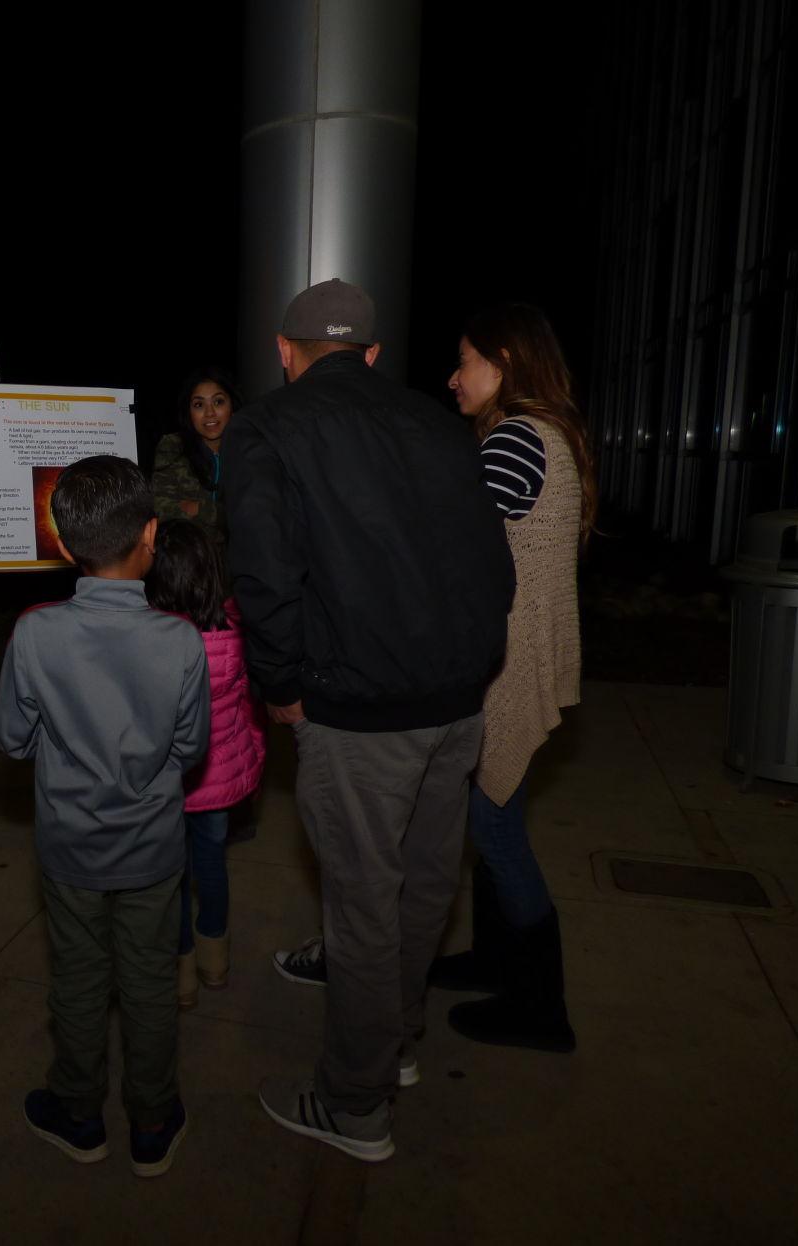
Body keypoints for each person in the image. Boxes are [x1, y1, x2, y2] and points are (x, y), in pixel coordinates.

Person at [222, 278, 514, 1163]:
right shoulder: (439, 423)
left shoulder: (266, 428)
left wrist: (282, 685)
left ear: (285, 351)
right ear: (375, 354)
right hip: (458, 699)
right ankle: (401, 1047)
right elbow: (493, 568)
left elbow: (265, 578)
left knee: (362, 905)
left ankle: (355, 1104)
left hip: (359, 711)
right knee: (427, 884)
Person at [0, 454, 210, 1178]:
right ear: (151, 533)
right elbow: (189, 748)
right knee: (149, 983)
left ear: (62, 544)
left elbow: (13, 737)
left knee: (79, 981)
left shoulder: (35, 635)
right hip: (150, 850)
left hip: (71, 850)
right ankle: (152, 1123)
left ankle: (79, 1114)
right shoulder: (180, 642)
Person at [432, 304, 595, 1052]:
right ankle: (496, 962)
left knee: (496, 831)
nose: (453, 377)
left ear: (502, 360)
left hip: (508, 666)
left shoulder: (515, 441)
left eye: (464, 361)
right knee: (491, 818)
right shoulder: (539, 434)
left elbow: (453, 547)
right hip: (523, 657)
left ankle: (540, 1010)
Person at [143, 518, 267, 1007]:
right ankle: (216, 959)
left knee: (171, 874)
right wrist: (253, 757)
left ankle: (183, 972)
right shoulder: (233, 631)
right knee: (212, 865)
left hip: (167, 780)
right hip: (218, 776)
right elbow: (245, 707)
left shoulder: (149, 642)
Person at [151, 367, 242, 544]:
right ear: (189, 412)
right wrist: (220, 515)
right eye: (199, 405)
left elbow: (250, 516)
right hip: (187, 559)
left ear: (232, 405)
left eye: (218, 402)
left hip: (237, 562)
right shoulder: (172, 447)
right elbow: (161, 511)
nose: (209, 413)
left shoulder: (249, 451)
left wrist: (198, 509)